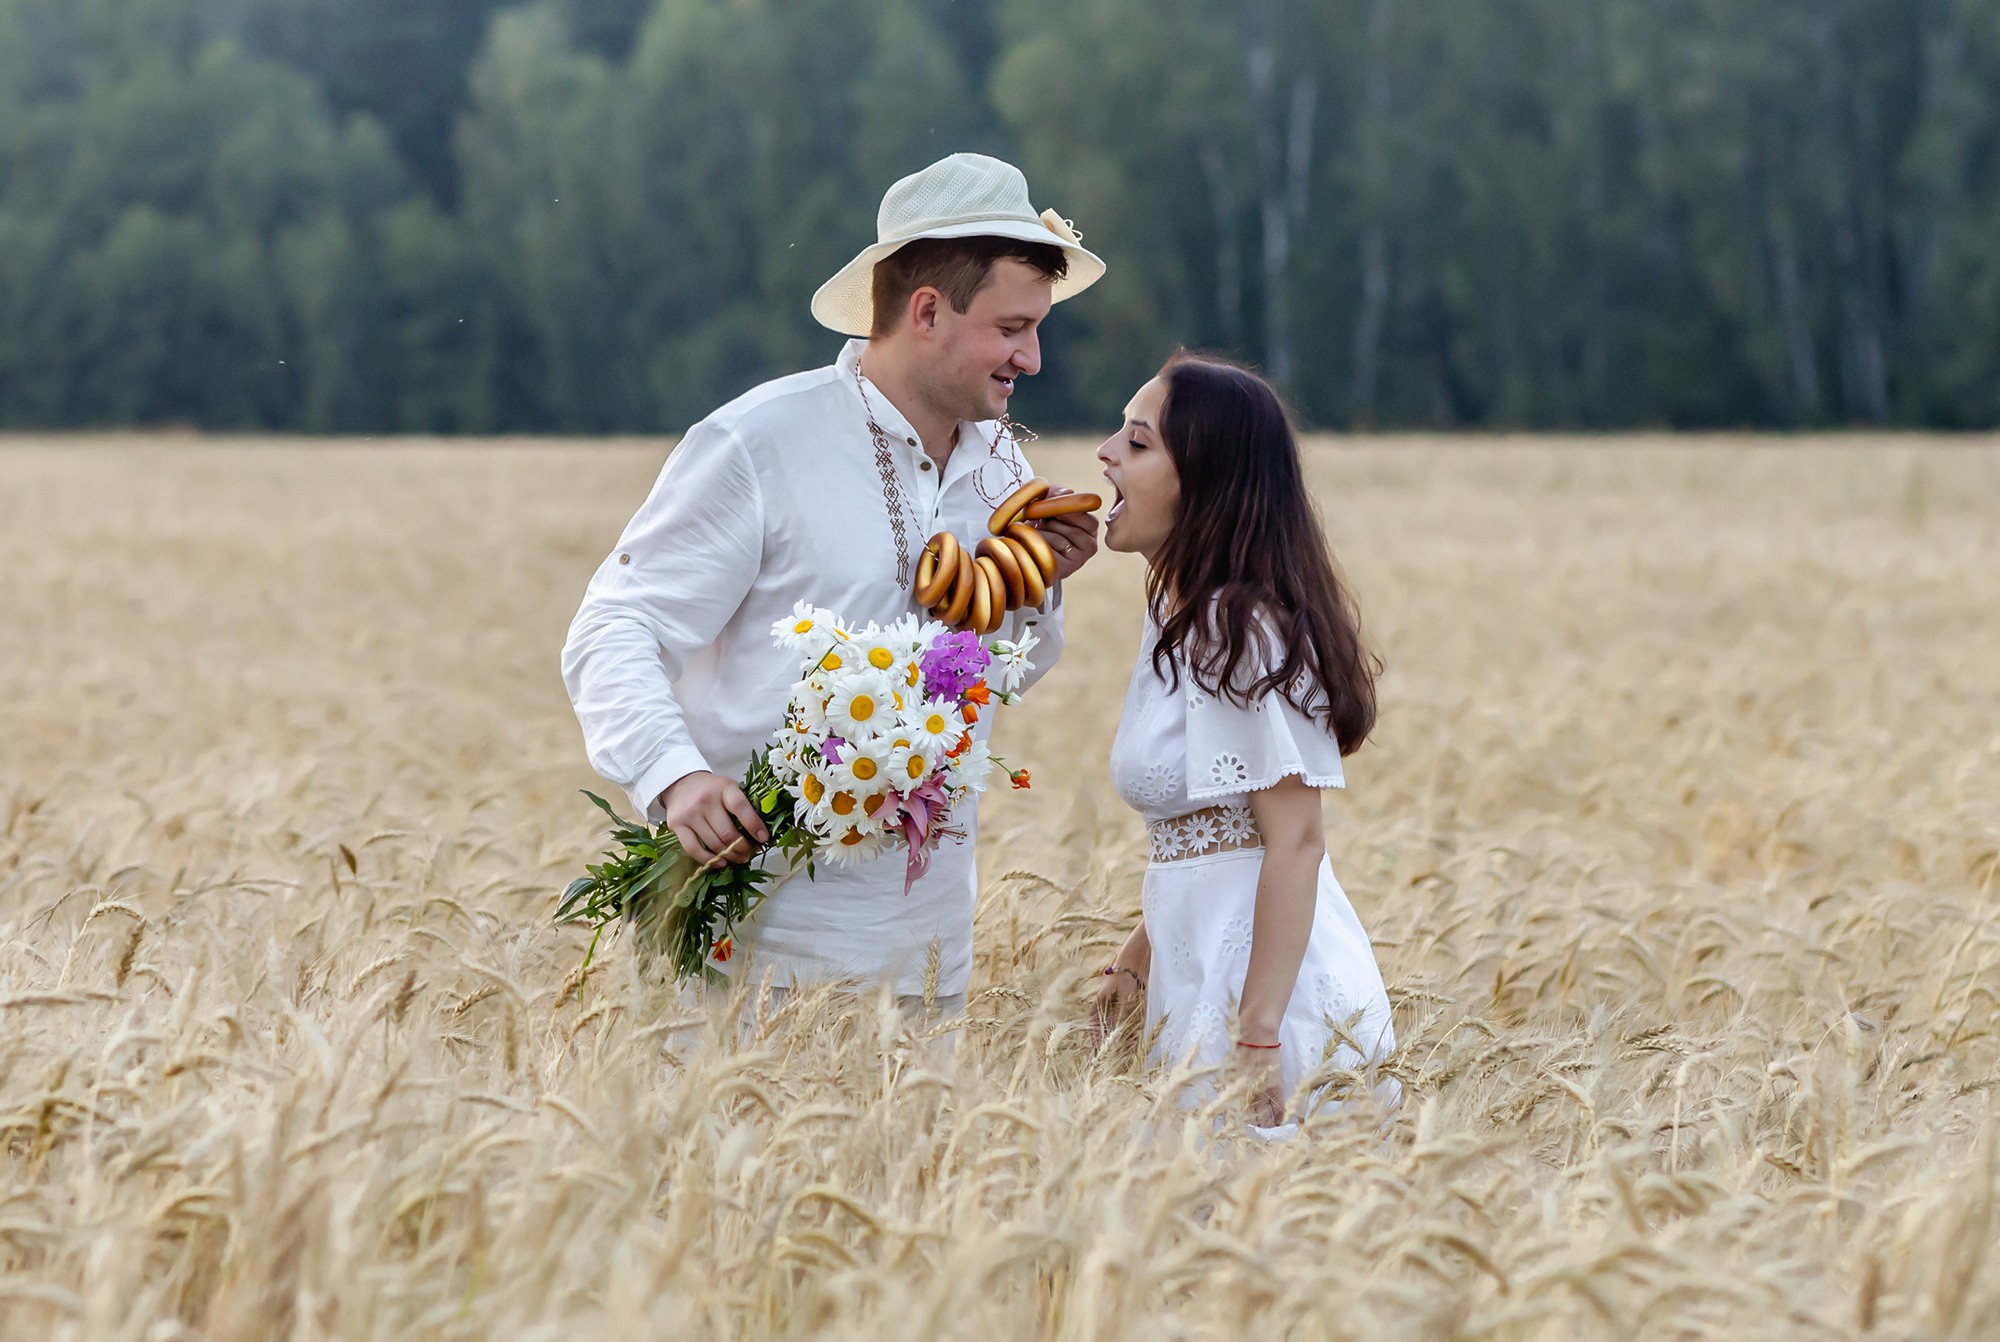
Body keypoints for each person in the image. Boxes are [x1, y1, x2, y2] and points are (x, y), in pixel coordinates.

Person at [562, 154, 1103, 1011]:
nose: (1032, 357)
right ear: (928, 312)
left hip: (926, 953)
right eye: (1012, 327)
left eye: (1036, 329)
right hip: (748, 949)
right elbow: (614, 627)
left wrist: (1040, 584)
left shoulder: (1004, 467)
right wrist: (674, 777)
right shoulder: (760, 441)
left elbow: (1013, 671)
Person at [1091, 355, 1398, 1129]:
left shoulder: (1241, 630)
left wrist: (1257, 1038)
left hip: (1266, 1005)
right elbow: (1215, 832)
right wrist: (1139, 957)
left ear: (1205, 480)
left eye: (1136, 442)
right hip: (1198, 983)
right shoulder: (1182, 620)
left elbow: (1294, 841)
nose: (1105, 455)